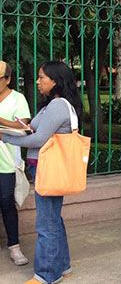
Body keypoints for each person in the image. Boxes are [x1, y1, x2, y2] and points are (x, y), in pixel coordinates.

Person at [2, 61, 83, 284]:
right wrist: (20, 127)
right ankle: (63, 265)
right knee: (53, 219)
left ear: (55, 81)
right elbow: (36, 129)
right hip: (46, 166)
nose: (38, 82)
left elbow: (38, 139)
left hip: (48, 167)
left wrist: (5, 137)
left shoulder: (58, 105)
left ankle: (47, 274)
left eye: (42, 78)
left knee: (46, 223)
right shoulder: (54, 104)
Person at [0, 61, 31, 266]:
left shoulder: (17, 98)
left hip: (6, 162)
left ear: (8, 79)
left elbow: (24, 124)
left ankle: (14, 246)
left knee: (6, 202)